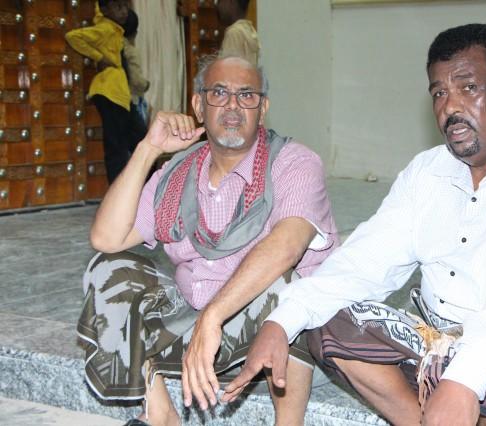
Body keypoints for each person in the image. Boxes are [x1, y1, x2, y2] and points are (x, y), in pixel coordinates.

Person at [224, 24, 486, 426]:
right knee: (324, 318)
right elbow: (363, 262)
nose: (450, 107)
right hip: (446, 347)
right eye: (439, 93)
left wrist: (465, 378)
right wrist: (281, 320)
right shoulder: (427, 172)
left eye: (468, 88)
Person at [77, 55, 338, 426]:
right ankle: (160, 413)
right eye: (219, 93)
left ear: (262, 108)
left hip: (274, 335)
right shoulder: (178, 171)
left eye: (246, 95)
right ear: (198, 105)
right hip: (194, 327)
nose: (233, 105)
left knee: (288, 284)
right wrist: (149, 148)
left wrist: (213, 317)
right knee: (109, 268)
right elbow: (107, 237)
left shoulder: (294, 162)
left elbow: (287, 246)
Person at [65, 0, 136, 184]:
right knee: (116, 145)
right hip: (109, 92)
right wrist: (99, 57)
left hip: (118, 94)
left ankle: (132, 187)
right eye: (118, 7)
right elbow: (72, 36)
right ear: (104, 10)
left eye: (125, 7)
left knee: (128, 140)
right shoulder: (106, 29)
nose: (124, 11)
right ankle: (117, 190)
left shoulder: (115, 29)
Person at [217, 0, 259, 66]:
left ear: (231, 2)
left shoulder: (234, 33)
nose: (218, 6)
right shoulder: (249, 29)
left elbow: (228, 69)